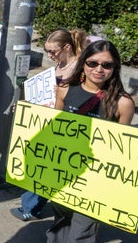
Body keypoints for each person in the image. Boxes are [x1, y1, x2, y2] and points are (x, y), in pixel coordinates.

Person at [46, 40, 135, 243]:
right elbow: (53, 127)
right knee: (59, 228)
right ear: (83, 63)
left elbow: (125, 147)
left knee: (81, 235)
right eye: (92, 63)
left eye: (107, 65)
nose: (99, 69)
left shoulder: (123, 103)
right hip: (62, 174)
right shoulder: (65, 89)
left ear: (115, 68)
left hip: (95, 182)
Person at [10, 28, 88, 222]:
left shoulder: (81, 68)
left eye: (53, 51)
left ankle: (32, 207)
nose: (50, 55)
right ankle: (32, 204)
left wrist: (64, 93)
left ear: (67, 47)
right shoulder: (60, 65)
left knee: (48, 169)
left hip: (69, 125)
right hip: (51, 122)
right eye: (48, 52)